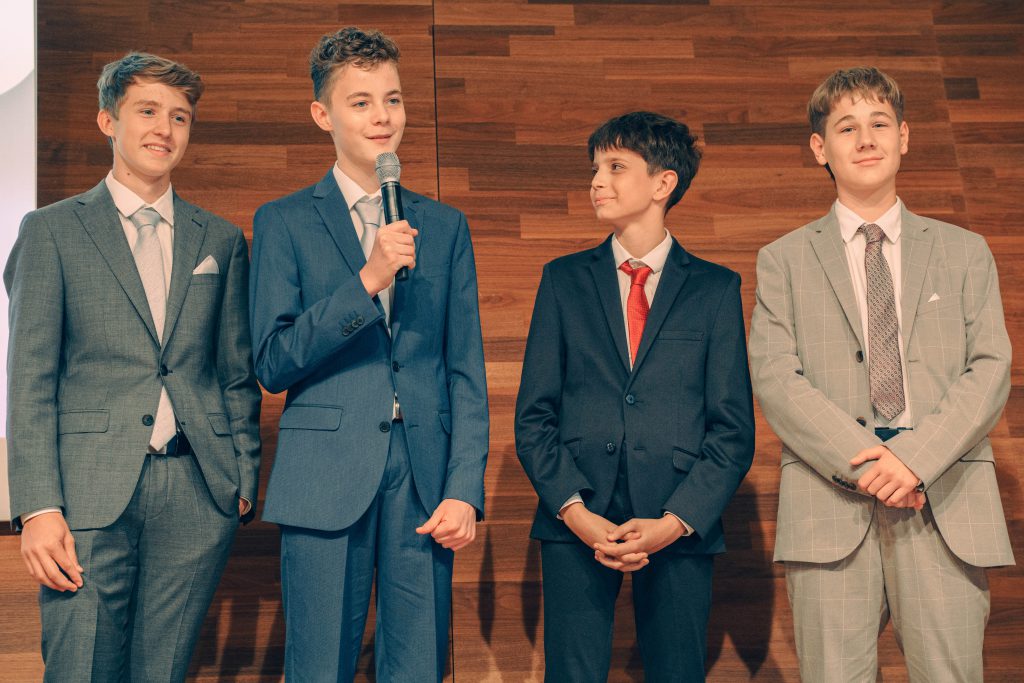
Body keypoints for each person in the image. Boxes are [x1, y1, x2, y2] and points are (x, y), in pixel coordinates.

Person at [748, 66, 1015, 682]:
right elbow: (777, 377)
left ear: (904, 137)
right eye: (846, 127)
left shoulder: (965, 251)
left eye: (879, 123)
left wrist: (913, 460)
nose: (866, 139)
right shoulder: (783, 260)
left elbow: (989, 368)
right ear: (820, 148)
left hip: (943, 498)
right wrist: (873, 467)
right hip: (829, 503)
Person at [4, 52, 261, 682]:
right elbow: (30, 380)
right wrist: (37, 507)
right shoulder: (51, 231)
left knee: (164, 672)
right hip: (85, 495)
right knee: (80, 668)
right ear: (107, 120)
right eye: (147, 111)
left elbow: (234, 372)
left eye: (180, 117)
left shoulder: (220, 240)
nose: (164, 129)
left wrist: (241, 477)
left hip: (197, 491)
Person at [248, 26, 488, 682]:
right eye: (361, 102)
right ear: (322, 114)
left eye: (393, 99)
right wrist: (366, 283)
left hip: (425, 475)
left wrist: (464, 488)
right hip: (323, 472)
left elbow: (464, 369)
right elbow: (273, 361)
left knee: (419, 664)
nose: (383, 117)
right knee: (320, 665)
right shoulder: (283, 221)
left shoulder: (444, 226)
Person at [514, 111, 755, 681]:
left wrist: (675, 521)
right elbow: (534, 416)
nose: (597, 181)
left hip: (679, 517)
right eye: (595, 168)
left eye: (616, 167)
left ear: (664, 182)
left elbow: (732, 431)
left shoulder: (716, 288)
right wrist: (576, 513)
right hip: (575, 515)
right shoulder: (563, 280)